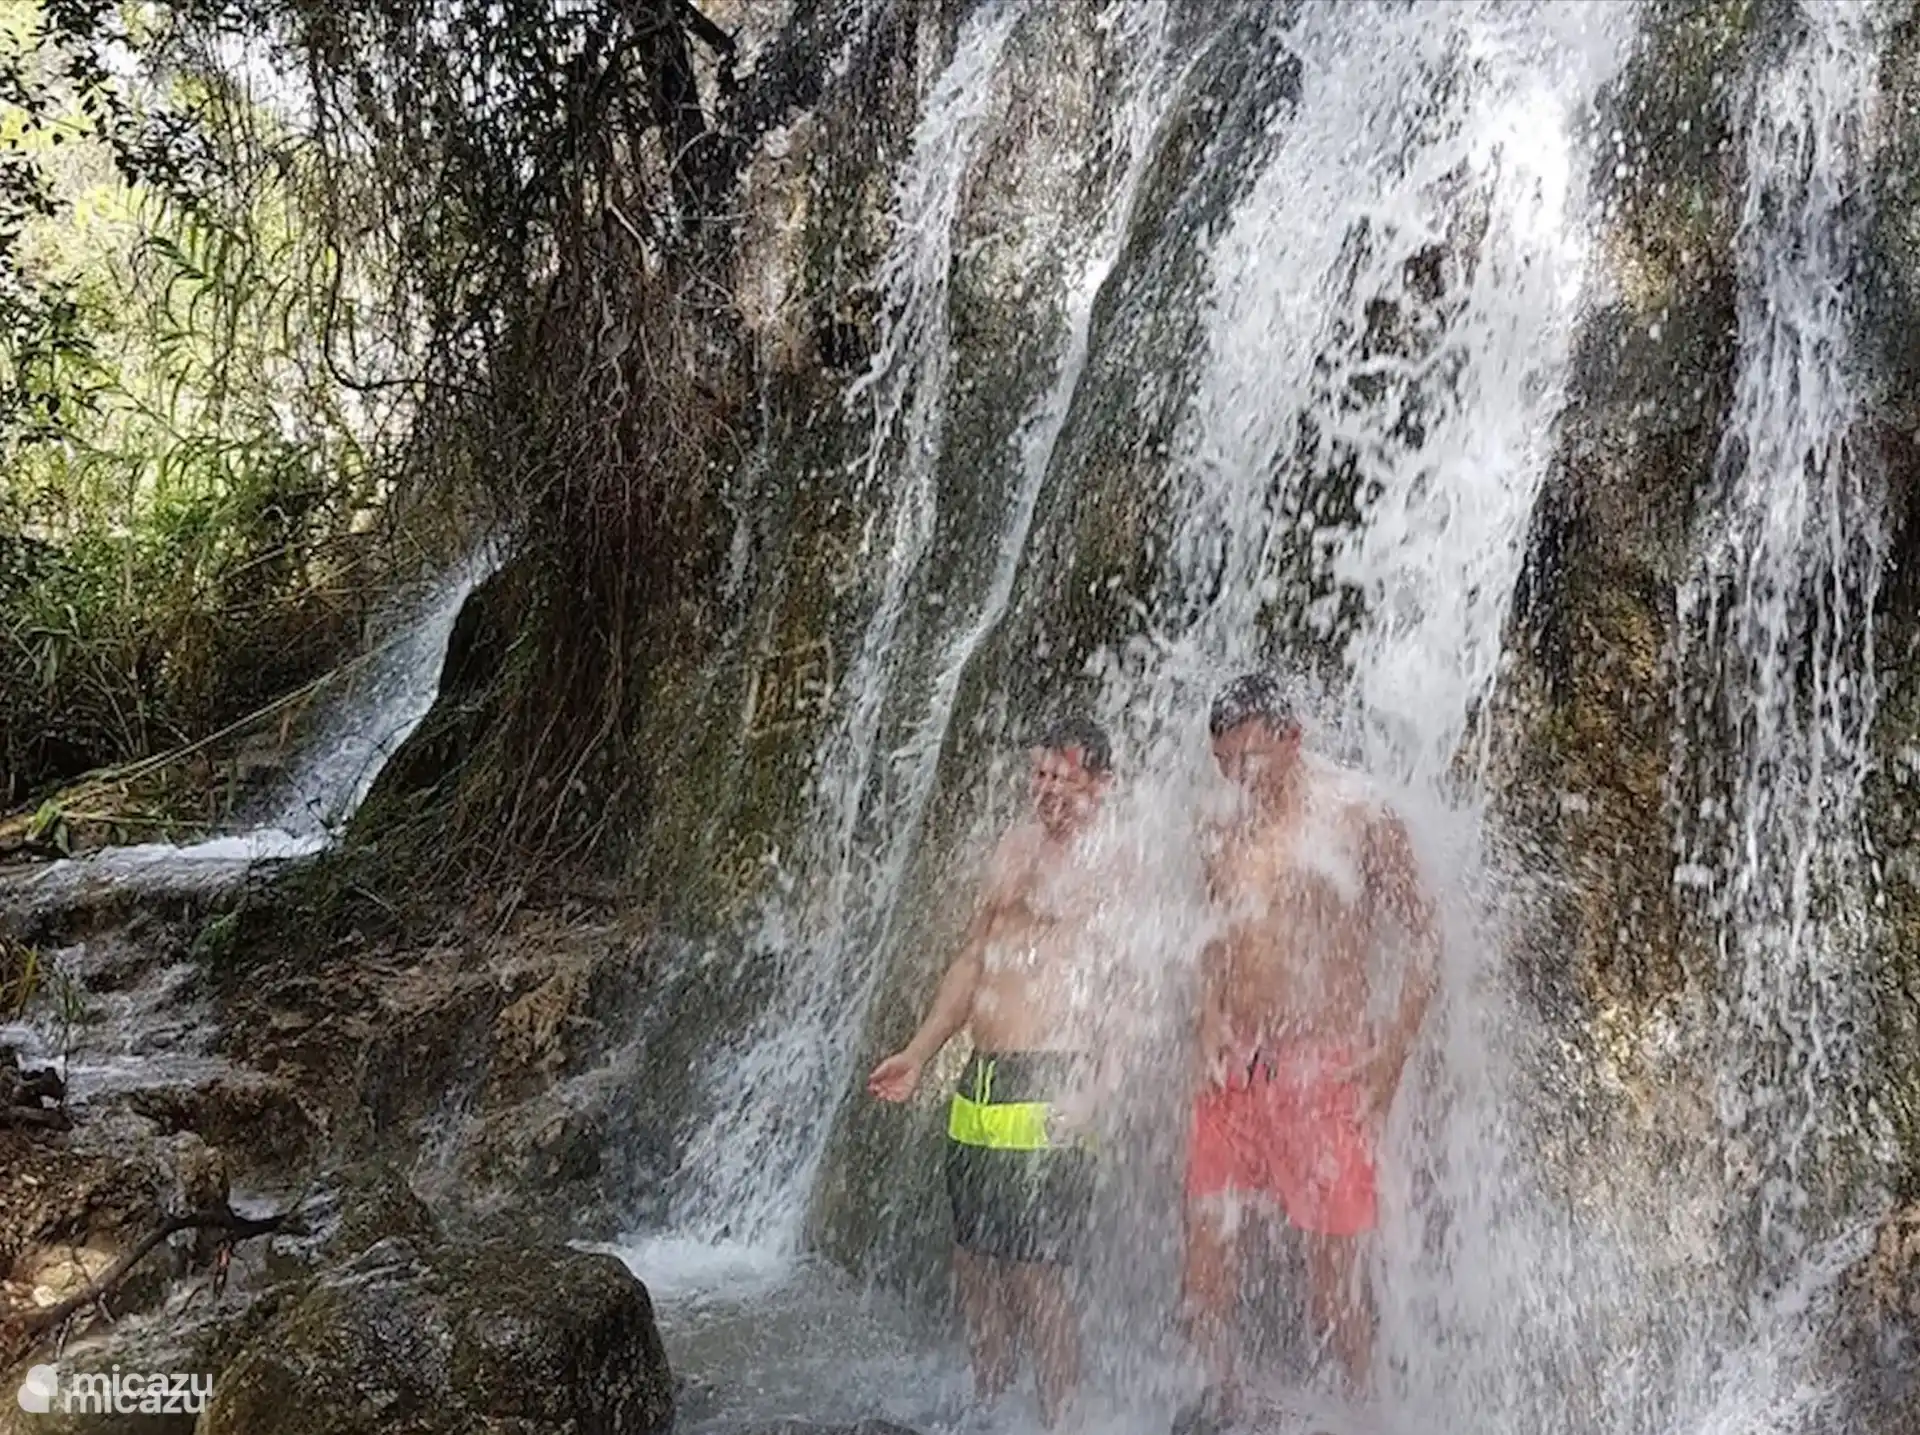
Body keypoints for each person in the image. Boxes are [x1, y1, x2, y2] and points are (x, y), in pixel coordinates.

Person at [1183, 672, 1441, 1410]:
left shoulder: (1359, 816)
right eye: (1224, 763)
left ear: (1292, 740)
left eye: (1250, 761)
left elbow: (1425, 937)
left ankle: (1365, 1417)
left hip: (1327, 1073)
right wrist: (1206, 1013)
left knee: (1333, 1297)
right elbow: (1213, 935)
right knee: (1202, 1281)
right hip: (1236, 1069)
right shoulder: (1220, 822)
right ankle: (1218, 1405)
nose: (1237, 778)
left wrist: (1392, 1053)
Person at [867, 715, 1121, 1429]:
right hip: (979, 1084)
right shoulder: (1011, 849)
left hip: (1051, 1086)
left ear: (1101, 784)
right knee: (975, 1259)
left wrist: (1100, 1089)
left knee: (1035, 1271)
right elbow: (971, 961)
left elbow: (1132, 986)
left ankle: (1061, 1418)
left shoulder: (1113, 864)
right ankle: (987, 1407)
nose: (1045, 792)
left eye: (1062, 780)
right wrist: (919, 1052)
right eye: (1037, 775)